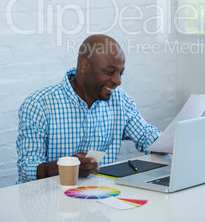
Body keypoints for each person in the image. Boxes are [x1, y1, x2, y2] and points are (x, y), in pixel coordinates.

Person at [16, 34, 162, 183]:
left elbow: (146, 136)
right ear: (84, 66)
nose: (118, 81)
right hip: (47, 200)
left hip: (99, 197)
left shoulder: (120, 100)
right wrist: (69, 167)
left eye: (120, 73)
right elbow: (27, 168)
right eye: (110, 72)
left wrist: (174, 143)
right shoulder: (39, 105)